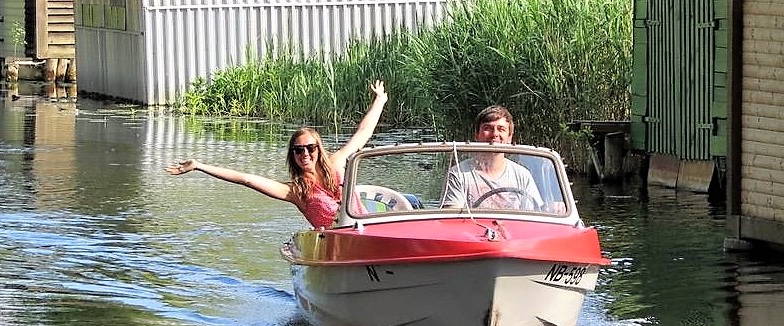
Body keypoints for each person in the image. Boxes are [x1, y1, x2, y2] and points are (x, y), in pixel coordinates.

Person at [165, 80, 388, 229]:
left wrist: (379, 101)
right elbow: (247, 179)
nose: (305, 154)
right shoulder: (295, 191)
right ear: (293, 155)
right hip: (336, 243)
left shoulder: (337, 163)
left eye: (310, 148)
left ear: (318, 149)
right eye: (298, 150)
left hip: (366, 231)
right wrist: (199, 165)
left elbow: (363, 134)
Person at [442, 105, 551, 211]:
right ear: (476, 135)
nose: (495, 134)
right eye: (487, 128)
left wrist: (555, 207)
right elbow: (451, 219)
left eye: (501, 129)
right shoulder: (458, 174)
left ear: (510, 137)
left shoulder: (523, 176)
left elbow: (532, 219)